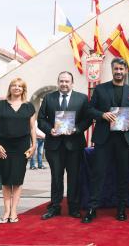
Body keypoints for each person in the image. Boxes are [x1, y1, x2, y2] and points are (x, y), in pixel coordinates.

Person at [83, 57, 129, 223]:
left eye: (121, 70)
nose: (119, 72)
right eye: (116, 69)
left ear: (125, 71)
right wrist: (102, 114)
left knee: (122, 175)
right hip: (103, 139)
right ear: (112, 69)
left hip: (123, 139)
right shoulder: (100, 89)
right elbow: (89, 109)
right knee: (98, 175)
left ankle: (121, 209)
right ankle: (92, 208)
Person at [38, 71, 92, 220]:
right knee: (56, 177)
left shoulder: (82, 99)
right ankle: (55, 207)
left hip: (74, 145)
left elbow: (87, 119)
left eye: (67, 81)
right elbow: (41, 119)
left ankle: (74, 207)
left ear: (72, 83)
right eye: (61, 81)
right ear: (58, 82)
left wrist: (77, 129)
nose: (64, 84)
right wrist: (50, 130)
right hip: (54, 145)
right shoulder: (49, 98)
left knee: (74, 177)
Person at [0, 78, 37, 223]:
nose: (16, 88)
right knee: (5, 180)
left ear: (23, 89)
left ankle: (14, 212)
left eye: (20, 86)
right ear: (9, 88)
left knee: (17, 180)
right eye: (14, 85)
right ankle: (6, 211)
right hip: (4, 146)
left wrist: (34, 145)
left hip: (22, 146)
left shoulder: (29, 107)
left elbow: (32, 128)